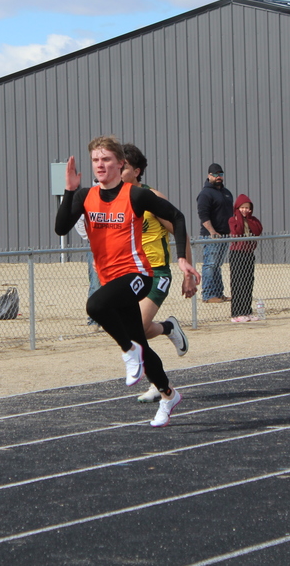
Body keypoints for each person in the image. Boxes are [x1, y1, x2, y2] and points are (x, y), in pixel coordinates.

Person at [54, 136, 198, 427]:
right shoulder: (84, 196)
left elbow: (178, 217)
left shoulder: (135, 195)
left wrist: (183, 260)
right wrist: (69, 191)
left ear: (121, 164)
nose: (100, 165)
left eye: (106, 159)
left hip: (139, 275)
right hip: (110, 279)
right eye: (95, 160)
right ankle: (168, 395)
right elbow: (60, 228)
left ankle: (127, 350)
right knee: (141, 341)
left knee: (94, 306)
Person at [119, 143, 199, 405]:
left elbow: (180, 228)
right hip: (131, 275)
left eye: (124, 166)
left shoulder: (150, 197)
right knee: (130, 332)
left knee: (136, 329)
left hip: (157, 273)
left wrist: (186, 269)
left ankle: (160, 382)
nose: (117, 170)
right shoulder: (114, 199)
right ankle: (168, 329)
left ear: (137, 170)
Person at [196, 162, 233, 303]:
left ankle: (219, 293)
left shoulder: (226, 193)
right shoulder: (205, 194)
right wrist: (212, 231)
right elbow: (203, 215)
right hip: (211, 236)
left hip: (225, 235)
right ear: (209, 176)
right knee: (210, 265)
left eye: (221, 174)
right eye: (216, 174)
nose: (219, 177)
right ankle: (209, 295)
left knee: (217, 265)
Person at [228, 194, 263, 323]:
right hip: (237, 253)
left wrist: (248, 218)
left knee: (248, 282)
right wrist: (240, 217)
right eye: (242, 207)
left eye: (247, 208)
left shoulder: (253, 220)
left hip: (248, 253)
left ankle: (247, 311)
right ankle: (236, 313)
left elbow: (258, 230)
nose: (245, 210)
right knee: (238, 283)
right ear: (237, 208)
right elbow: (238, 231)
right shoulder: (233, 219)